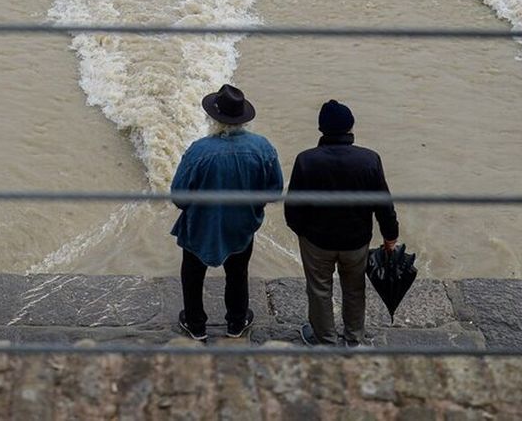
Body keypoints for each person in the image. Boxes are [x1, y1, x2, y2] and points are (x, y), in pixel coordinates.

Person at [170, 84, 284, 341]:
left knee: (192, 273)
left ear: (214, 119)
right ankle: (236, 322)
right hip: (242, 225)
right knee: (237, 273)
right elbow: (274, 191)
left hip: (200, 225)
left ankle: (196, 325)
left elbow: (178, 195)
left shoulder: (198, 151)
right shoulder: (263, 148)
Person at [284, 99, 399, 347]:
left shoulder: (306, 160)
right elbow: (383, 204)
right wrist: (390, 236)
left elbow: (293, 206)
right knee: (355, 289)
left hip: (317, 240)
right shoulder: (369, 160)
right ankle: (353, 338)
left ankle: (325, 338)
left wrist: (302, 232)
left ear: (321, 129)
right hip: (356, 241)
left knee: (319, 290)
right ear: (350, 126)